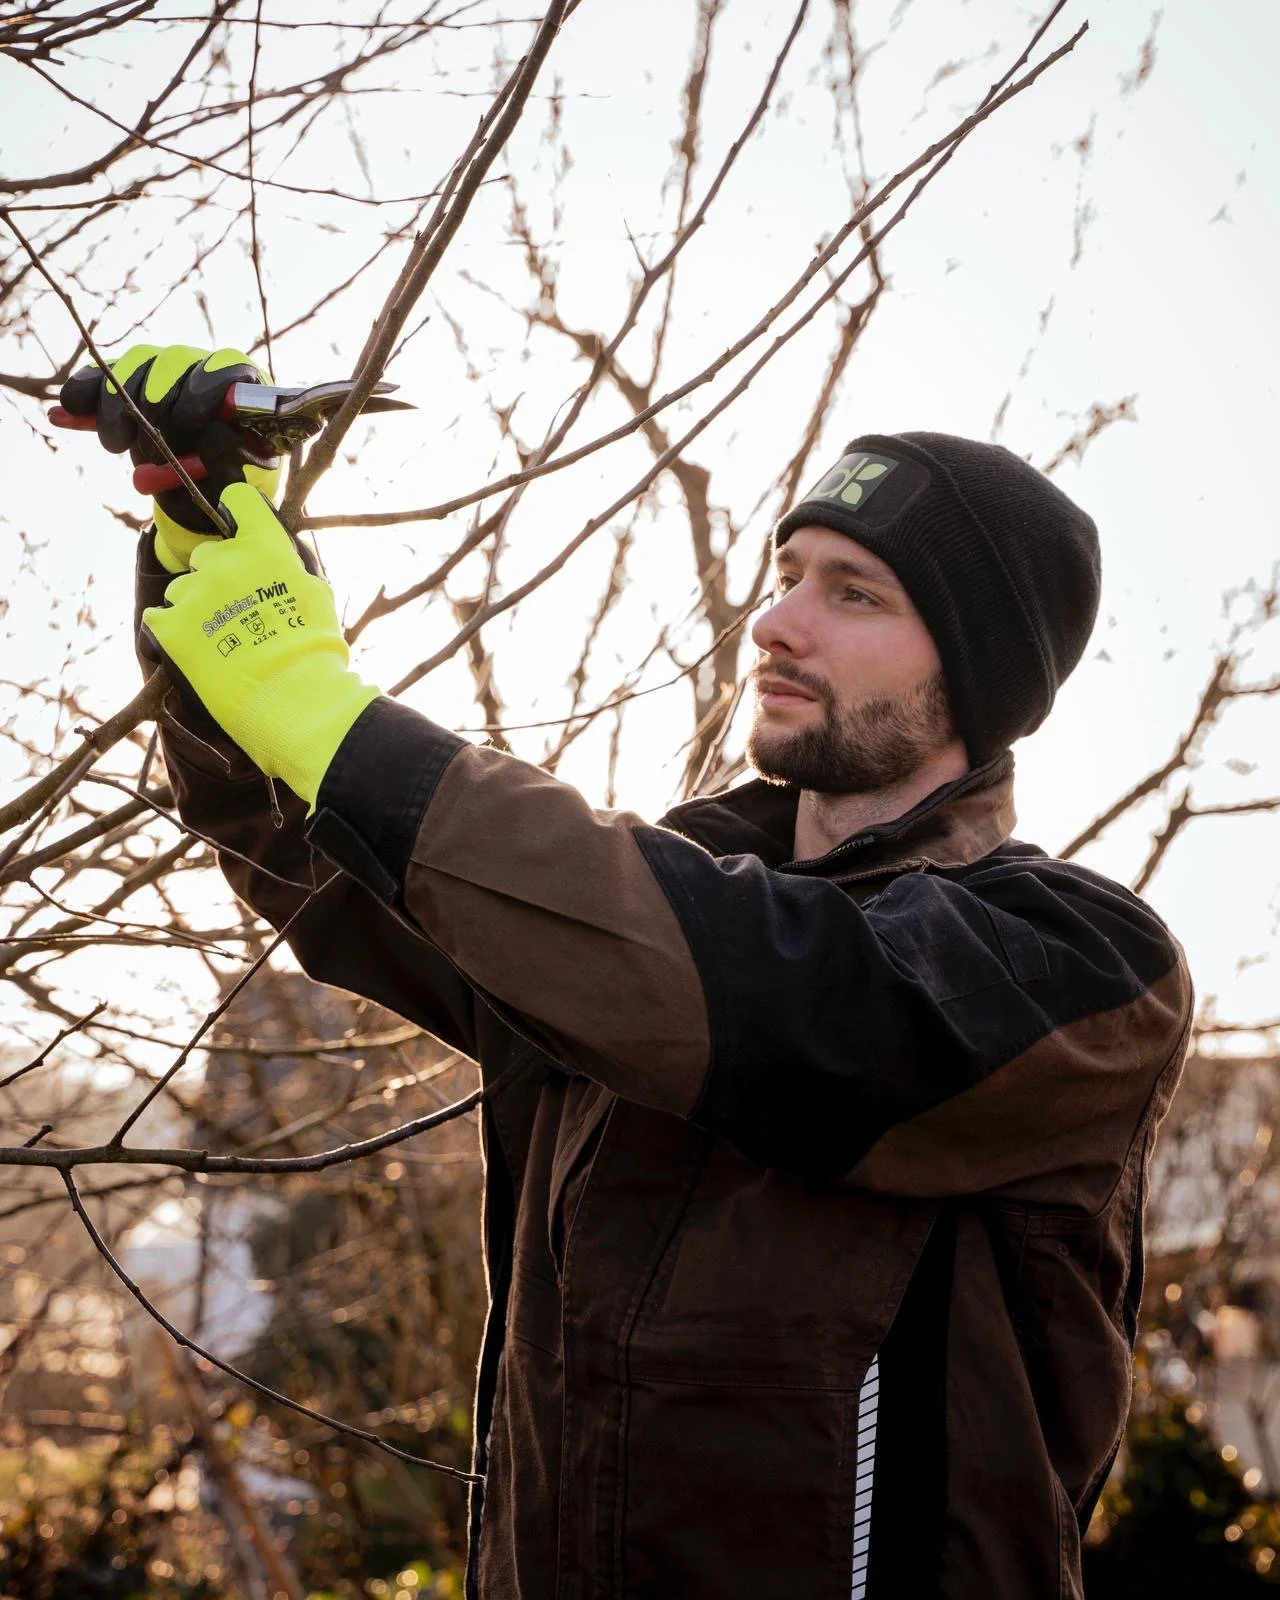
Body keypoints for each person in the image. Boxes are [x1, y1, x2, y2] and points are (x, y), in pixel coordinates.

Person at [61, 346, 1194, 1599]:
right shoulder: (613, 922)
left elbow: (789, 1007)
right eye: (786, 575)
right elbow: (324, 856)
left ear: (972, 670)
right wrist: (201, 538)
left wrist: (324, 707)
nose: (778, 621)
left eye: (855, 593)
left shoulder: (1080, 965)